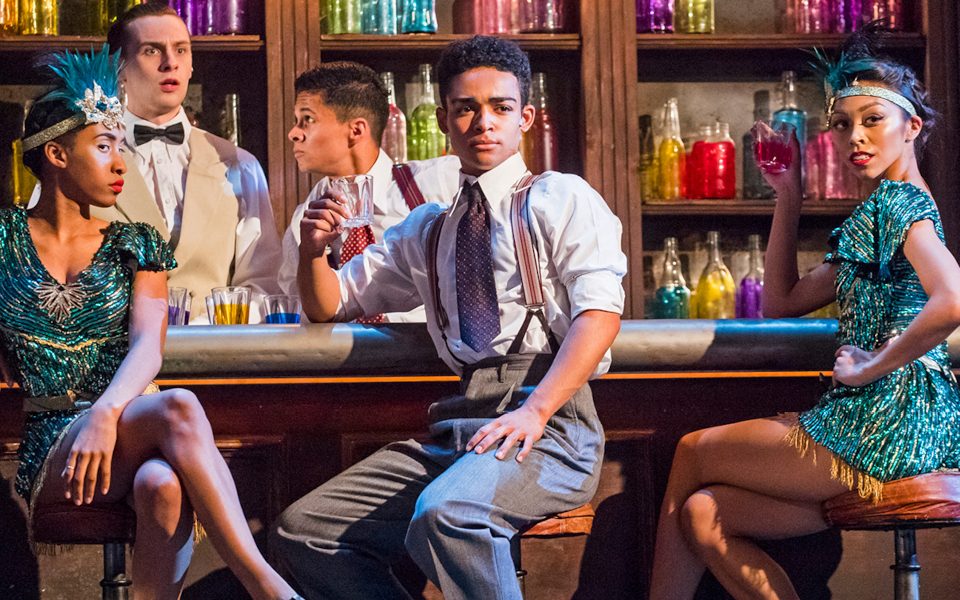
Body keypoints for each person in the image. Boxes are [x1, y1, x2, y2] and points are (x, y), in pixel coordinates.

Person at [271, 35, 626, 599]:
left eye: (500, 108)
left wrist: (534, 411)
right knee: (306, 530)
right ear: (443, 119)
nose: (483, 122)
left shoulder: (560, 198)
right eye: (466, 108)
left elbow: (600, 313)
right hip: (463, 426)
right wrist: (315, 249)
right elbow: (330, 303)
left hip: (551, 426)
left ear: (525, 118)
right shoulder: (428, 226)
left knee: (449, 513)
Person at [648, 27, 960, 600]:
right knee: (704, 512)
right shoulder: (893, 206)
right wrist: (787, 195)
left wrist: (871, 366)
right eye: (843, 124)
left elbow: (954, 299)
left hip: (884, 423)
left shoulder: (894, 203)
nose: (855, 138)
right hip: (915, 424)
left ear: (912, 126)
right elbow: (782, 302)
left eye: (873, 120)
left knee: (692, 451)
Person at [8, 48, 300, 600]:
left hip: (121, 425)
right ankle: (270, 589)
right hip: (50, 443)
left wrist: (104, 414)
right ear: (56, 154)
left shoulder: (134, 242)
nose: (121, 163)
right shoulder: (3, 240)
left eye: (122, 147)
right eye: (103, 147)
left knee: (162, 481)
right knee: (180, 405)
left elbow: (148, 347)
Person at [96, 1, 282, 322]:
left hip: (216, 360)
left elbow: (264, 282)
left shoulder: (239, 165)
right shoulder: (82, 163)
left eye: (181, 50)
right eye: (152, 51)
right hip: (114, 362)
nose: (170, 63)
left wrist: (205, 329)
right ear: (118, 67)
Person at [278, 60, 460, 322]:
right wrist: (312, 253)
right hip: (338, 362)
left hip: (432, 360)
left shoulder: (438, 182)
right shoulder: (303, 222)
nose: (293, 134)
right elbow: (297, 317)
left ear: (356, 130)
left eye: (307, 120)